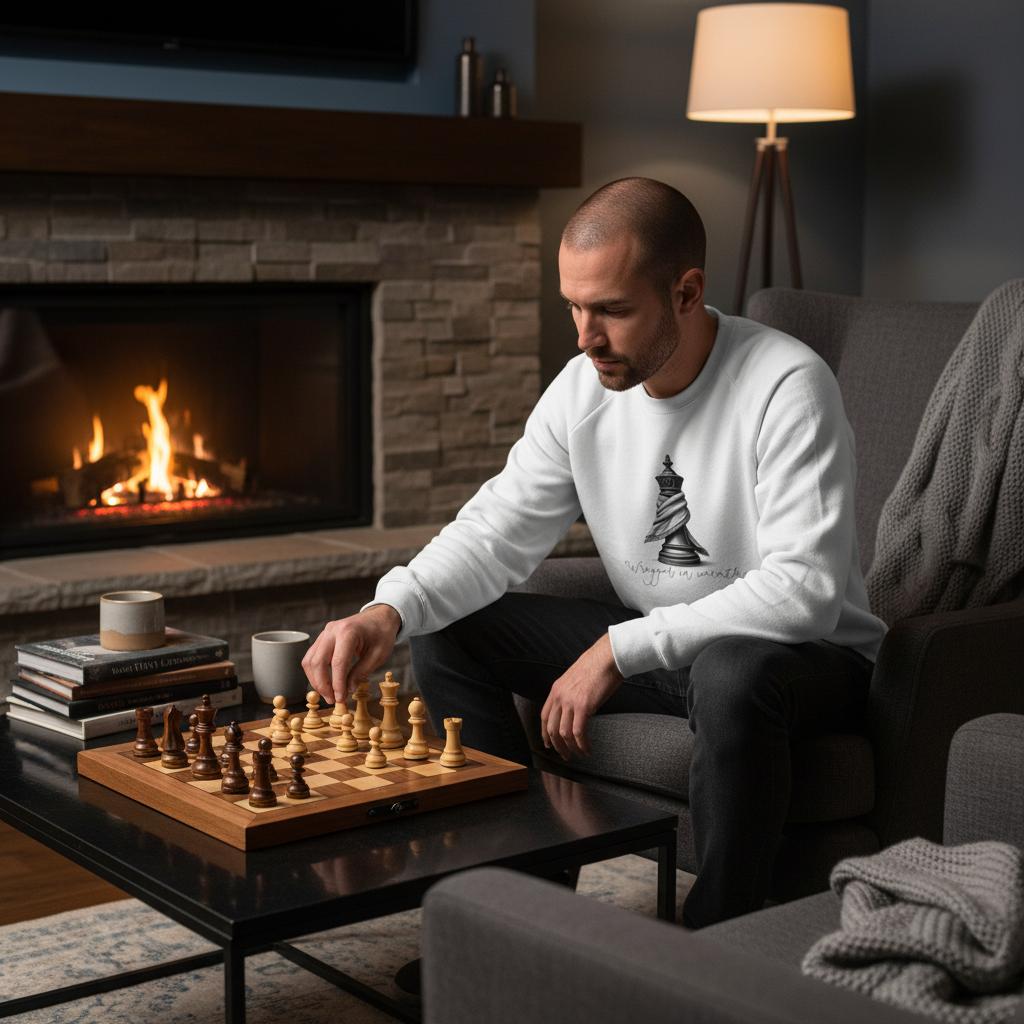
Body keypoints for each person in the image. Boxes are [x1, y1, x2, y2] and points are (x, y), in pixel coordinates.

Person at [302, 177, 888, 928]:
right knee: (445, 629)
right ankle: (524, 916)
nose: (585, 337)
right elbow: (497, 529)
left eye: (611, 310)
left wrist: (616, 649)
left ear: (686, 291)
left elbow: (802, 588)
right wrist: (388, 610)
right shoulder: (583, 389)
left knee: (731, 671)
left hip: (800, 660)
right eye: (574, 307)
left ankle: (712, 946)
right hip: (669, 652)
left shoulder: (786, 384)